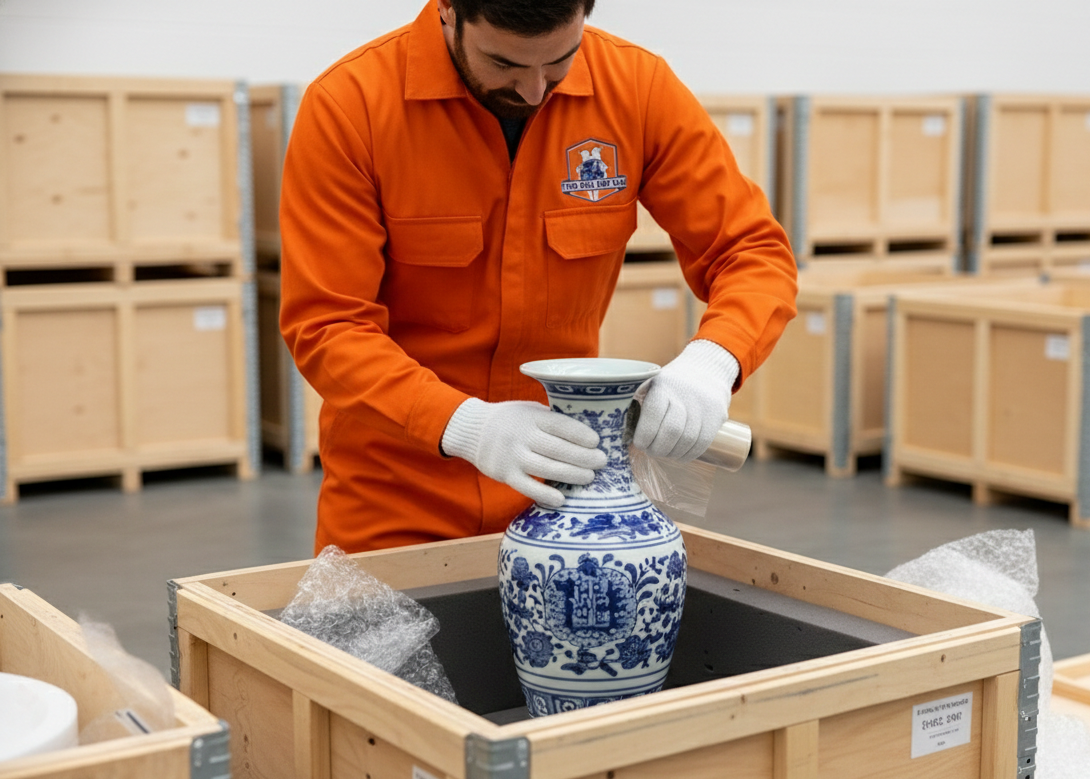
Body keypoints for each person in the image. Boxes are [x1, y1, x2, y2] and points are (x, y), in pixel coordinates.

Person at [279, 0, 798, 554]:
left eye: (559, 62)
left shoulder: (637, 89)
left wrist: (714, 362)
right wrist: (464, 425)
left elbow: (752, 249)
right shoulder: (351, 105)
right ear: (449, 10)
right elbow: (328, 323)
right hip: (395, 490)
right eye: (503, 63)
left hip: (570, 488)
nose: (533, 90)